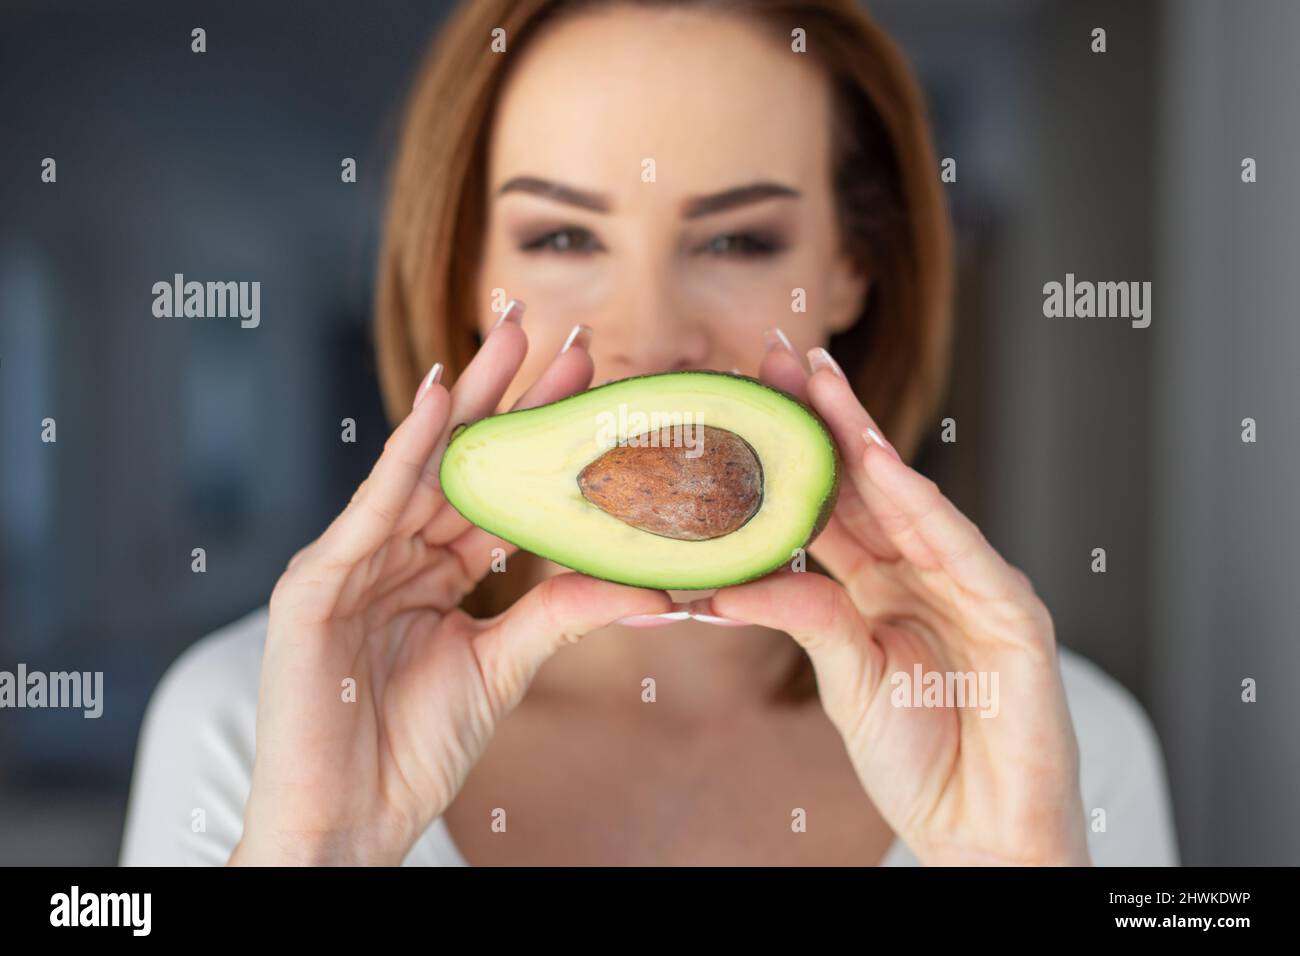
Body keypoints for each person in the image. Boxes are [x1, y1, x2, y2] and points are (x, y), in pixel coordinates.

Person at [120, 0, 1178, 866]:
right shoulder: (249, 723)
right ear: (467, 273)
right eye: (564, 234)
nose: (650, 338)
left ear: (855, 268)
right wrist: (317, 850)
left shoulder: (1065, 742)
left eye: (736, 237)